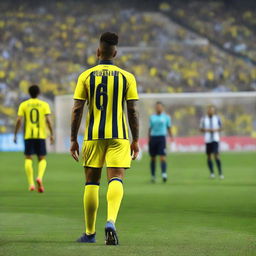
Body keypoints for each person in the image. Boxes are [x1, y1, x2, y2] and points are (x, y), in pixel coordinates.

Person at [70, 32, 139, 245]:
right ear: (115, 53)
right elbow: (133, 111)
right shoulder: (127, 77)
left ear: (98, 52)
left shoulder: (86, 76)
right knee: (116, 178)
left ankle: (89, 233)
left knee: (91, 182)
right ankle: (110, 220)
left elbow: (77, 109)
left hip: (93, 136)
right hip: (119, 136)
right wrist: (135, 139)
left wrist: (73, 139)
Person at [14, 85, 54, 192]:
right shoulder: (44, 105)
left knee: (28, 158)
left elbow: (19, 120)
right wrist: (51, 134)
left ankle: (31, 183)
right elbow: (49, 121)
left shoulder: (24, 105)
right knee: (42, 158)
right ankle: (39, 177)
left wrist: (15, 134)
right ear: (39, 92)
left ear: (29, 93)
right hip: (40, 135)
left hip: (28, 135)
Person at [149, 102, 173, 183]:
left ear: (162, 108)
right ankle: (153, 176)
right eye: (157, 107)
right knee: (153, 158)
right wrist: (149, 139)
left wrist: (171, 137)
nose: (158, 108)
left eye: (159, 107)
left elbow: (169, 127)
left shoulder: (166, 117)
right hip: (153, 138)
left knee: (162, 157)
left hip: (162, 138)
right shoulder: (152, 117)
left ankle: (164, 174)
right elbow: (150, 128)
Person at [200, 105, 224, 179]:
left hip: (215, 139)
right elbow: (201, 129)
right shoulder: (203, 119)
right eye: (209, 110)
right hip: (208, 139)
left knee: (216, 155)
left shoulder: (217, 118)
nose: (210, 111)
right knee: (209, 156)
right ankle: (212, 173)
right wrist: (207, 130)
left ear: (214, 111)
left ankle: (220, 173)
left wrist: (215, 130)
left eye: (212, 110)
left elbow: (221, 128)